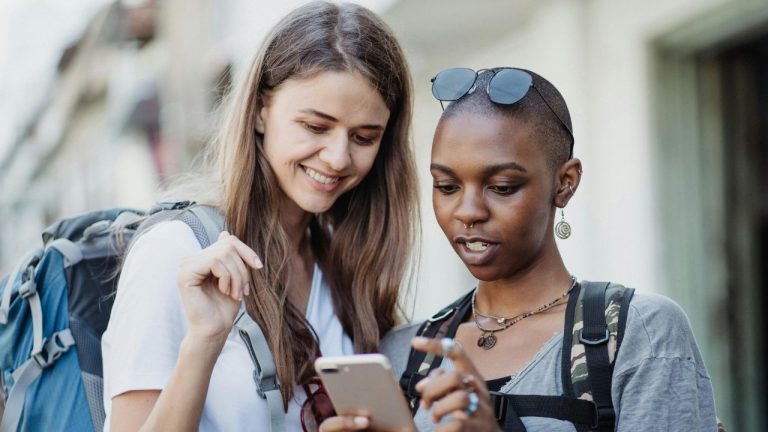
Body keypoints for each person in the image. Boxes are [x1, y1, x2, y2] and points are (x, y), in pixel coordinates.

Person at [322, 67, 718, 431]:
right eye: (447, 187)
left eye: (502, 187)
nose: (469, 212)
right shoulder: (403, 356)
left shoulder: (637, 332)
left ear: (565, 182)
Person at [100, 2, 418, 431]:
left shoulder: (341, 260)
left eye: (364, 137)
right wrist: (203, 343)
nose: (339, 157)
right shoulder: (177, 251)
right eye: (316, 127)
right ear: (260, 110)